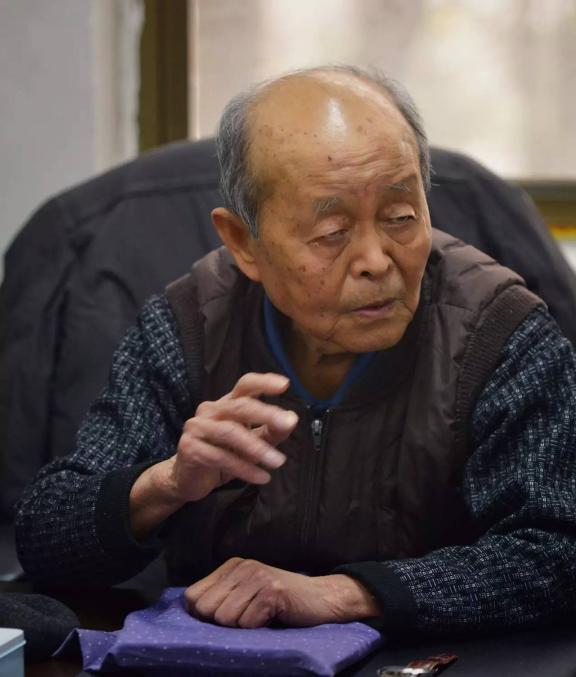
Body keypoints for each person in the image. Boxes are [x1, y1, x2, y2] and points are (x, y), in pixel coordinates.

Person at [15, 65, 576, 634]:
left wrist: (346, 595)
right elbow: (45, 534)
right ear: (243, 243)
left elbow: (558, 552)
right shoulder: (190, 325)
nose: (376, 261)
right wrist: (168, 483)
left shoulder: (498, 332)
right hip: (221, 656)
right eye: (332, 233)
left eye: (401, 218)